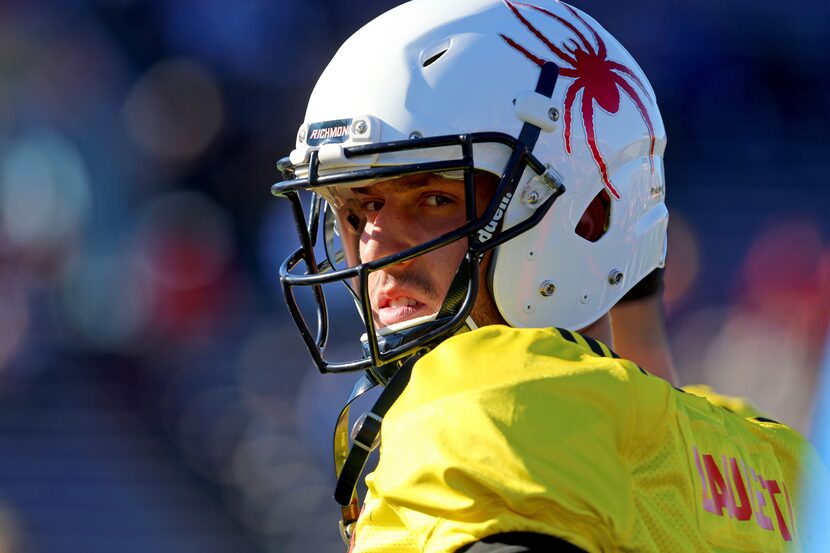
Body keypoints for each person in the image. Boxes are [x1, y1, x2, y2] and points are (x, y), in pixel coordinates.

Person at [271, 0, 825, 551]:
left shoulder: (488, 410)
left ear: (588, 216)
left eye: (433, 199)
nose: (374, 251)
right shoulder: (773, 467)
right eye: (355, 210)